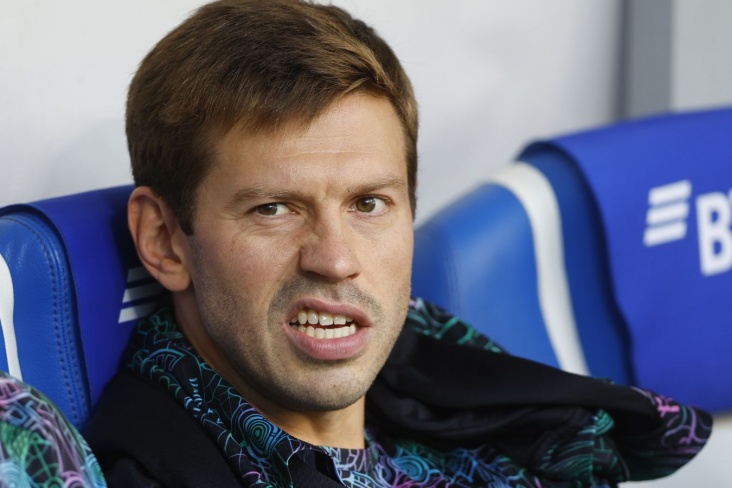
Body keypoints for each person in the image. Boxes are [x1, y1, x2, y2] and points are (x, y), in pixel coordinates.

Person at [85, 1, 712, 486]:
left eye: (368, 204)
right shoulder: (151, 471)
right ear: (164, 241)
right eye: (273, 209)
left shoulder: (473, 396)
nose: (336, 260)